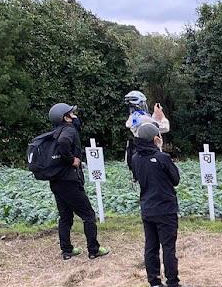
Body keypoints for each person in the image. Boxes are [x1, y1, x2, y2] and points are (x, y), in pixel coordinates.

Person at [128, 121, 191, 287]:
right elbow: (175, 179)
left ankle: (154, 283)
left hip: (147, 208)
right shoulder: (162, 158)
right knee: (168, 247)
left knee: (151, 246)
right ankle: (173, 284)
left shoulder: (135, 158)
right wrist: (160, 152)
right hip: (165, 208)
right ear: (155, 139)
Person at [46, 103, 109, 261]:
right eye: (71, 114)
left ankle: (67, 250)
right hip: (69, 181)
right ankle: (94, 249)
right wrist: (72, 160)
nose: (74, 116)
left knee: (65, 217)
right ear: (65, 117)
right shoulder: (68, 130)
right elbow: (63, 144)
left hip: (56, 181)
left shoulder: (54, 131)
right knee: (88, 215)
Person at [123, 89, 170, 171]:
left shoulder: (132, 119)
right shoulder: (144, 119)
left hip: (139, 156)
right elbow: (164, 127)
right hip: (151, 154)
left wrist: (155, 115)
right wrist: (161, 115)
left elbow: (150, 124)